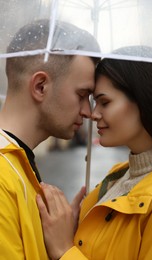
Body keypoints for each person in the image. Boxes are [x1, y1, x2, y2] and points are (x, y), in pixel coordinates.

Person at [36, 46, 152, 260]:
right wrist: (75, 230)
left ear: (145, 100)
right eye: (94, 102)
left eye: (105, 102)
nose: (93, 113)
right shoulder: (116, 178)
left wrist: (64, 250)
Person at [0, 18, 100, 259]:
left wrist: (60, 237)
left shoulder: (19, 165)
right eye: (82, 94)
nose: (88, 112)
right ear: (41, 86)